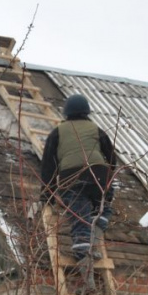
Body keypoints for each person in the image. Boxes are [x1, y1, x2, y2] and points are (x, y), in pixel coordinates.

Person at [40, 94, 116, 267]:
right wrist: (108, 179)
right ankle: (100, 220)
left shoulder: (57, 133)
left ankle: (83, 252)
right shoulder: (96, 129)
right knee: (102, 205)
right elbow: (111, 158)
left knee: (80, 218)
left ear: (66, 113)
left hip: (72, 179)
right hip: (99, 175)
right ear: (87, 112)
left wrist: (48, 195)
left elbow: (48, 167)